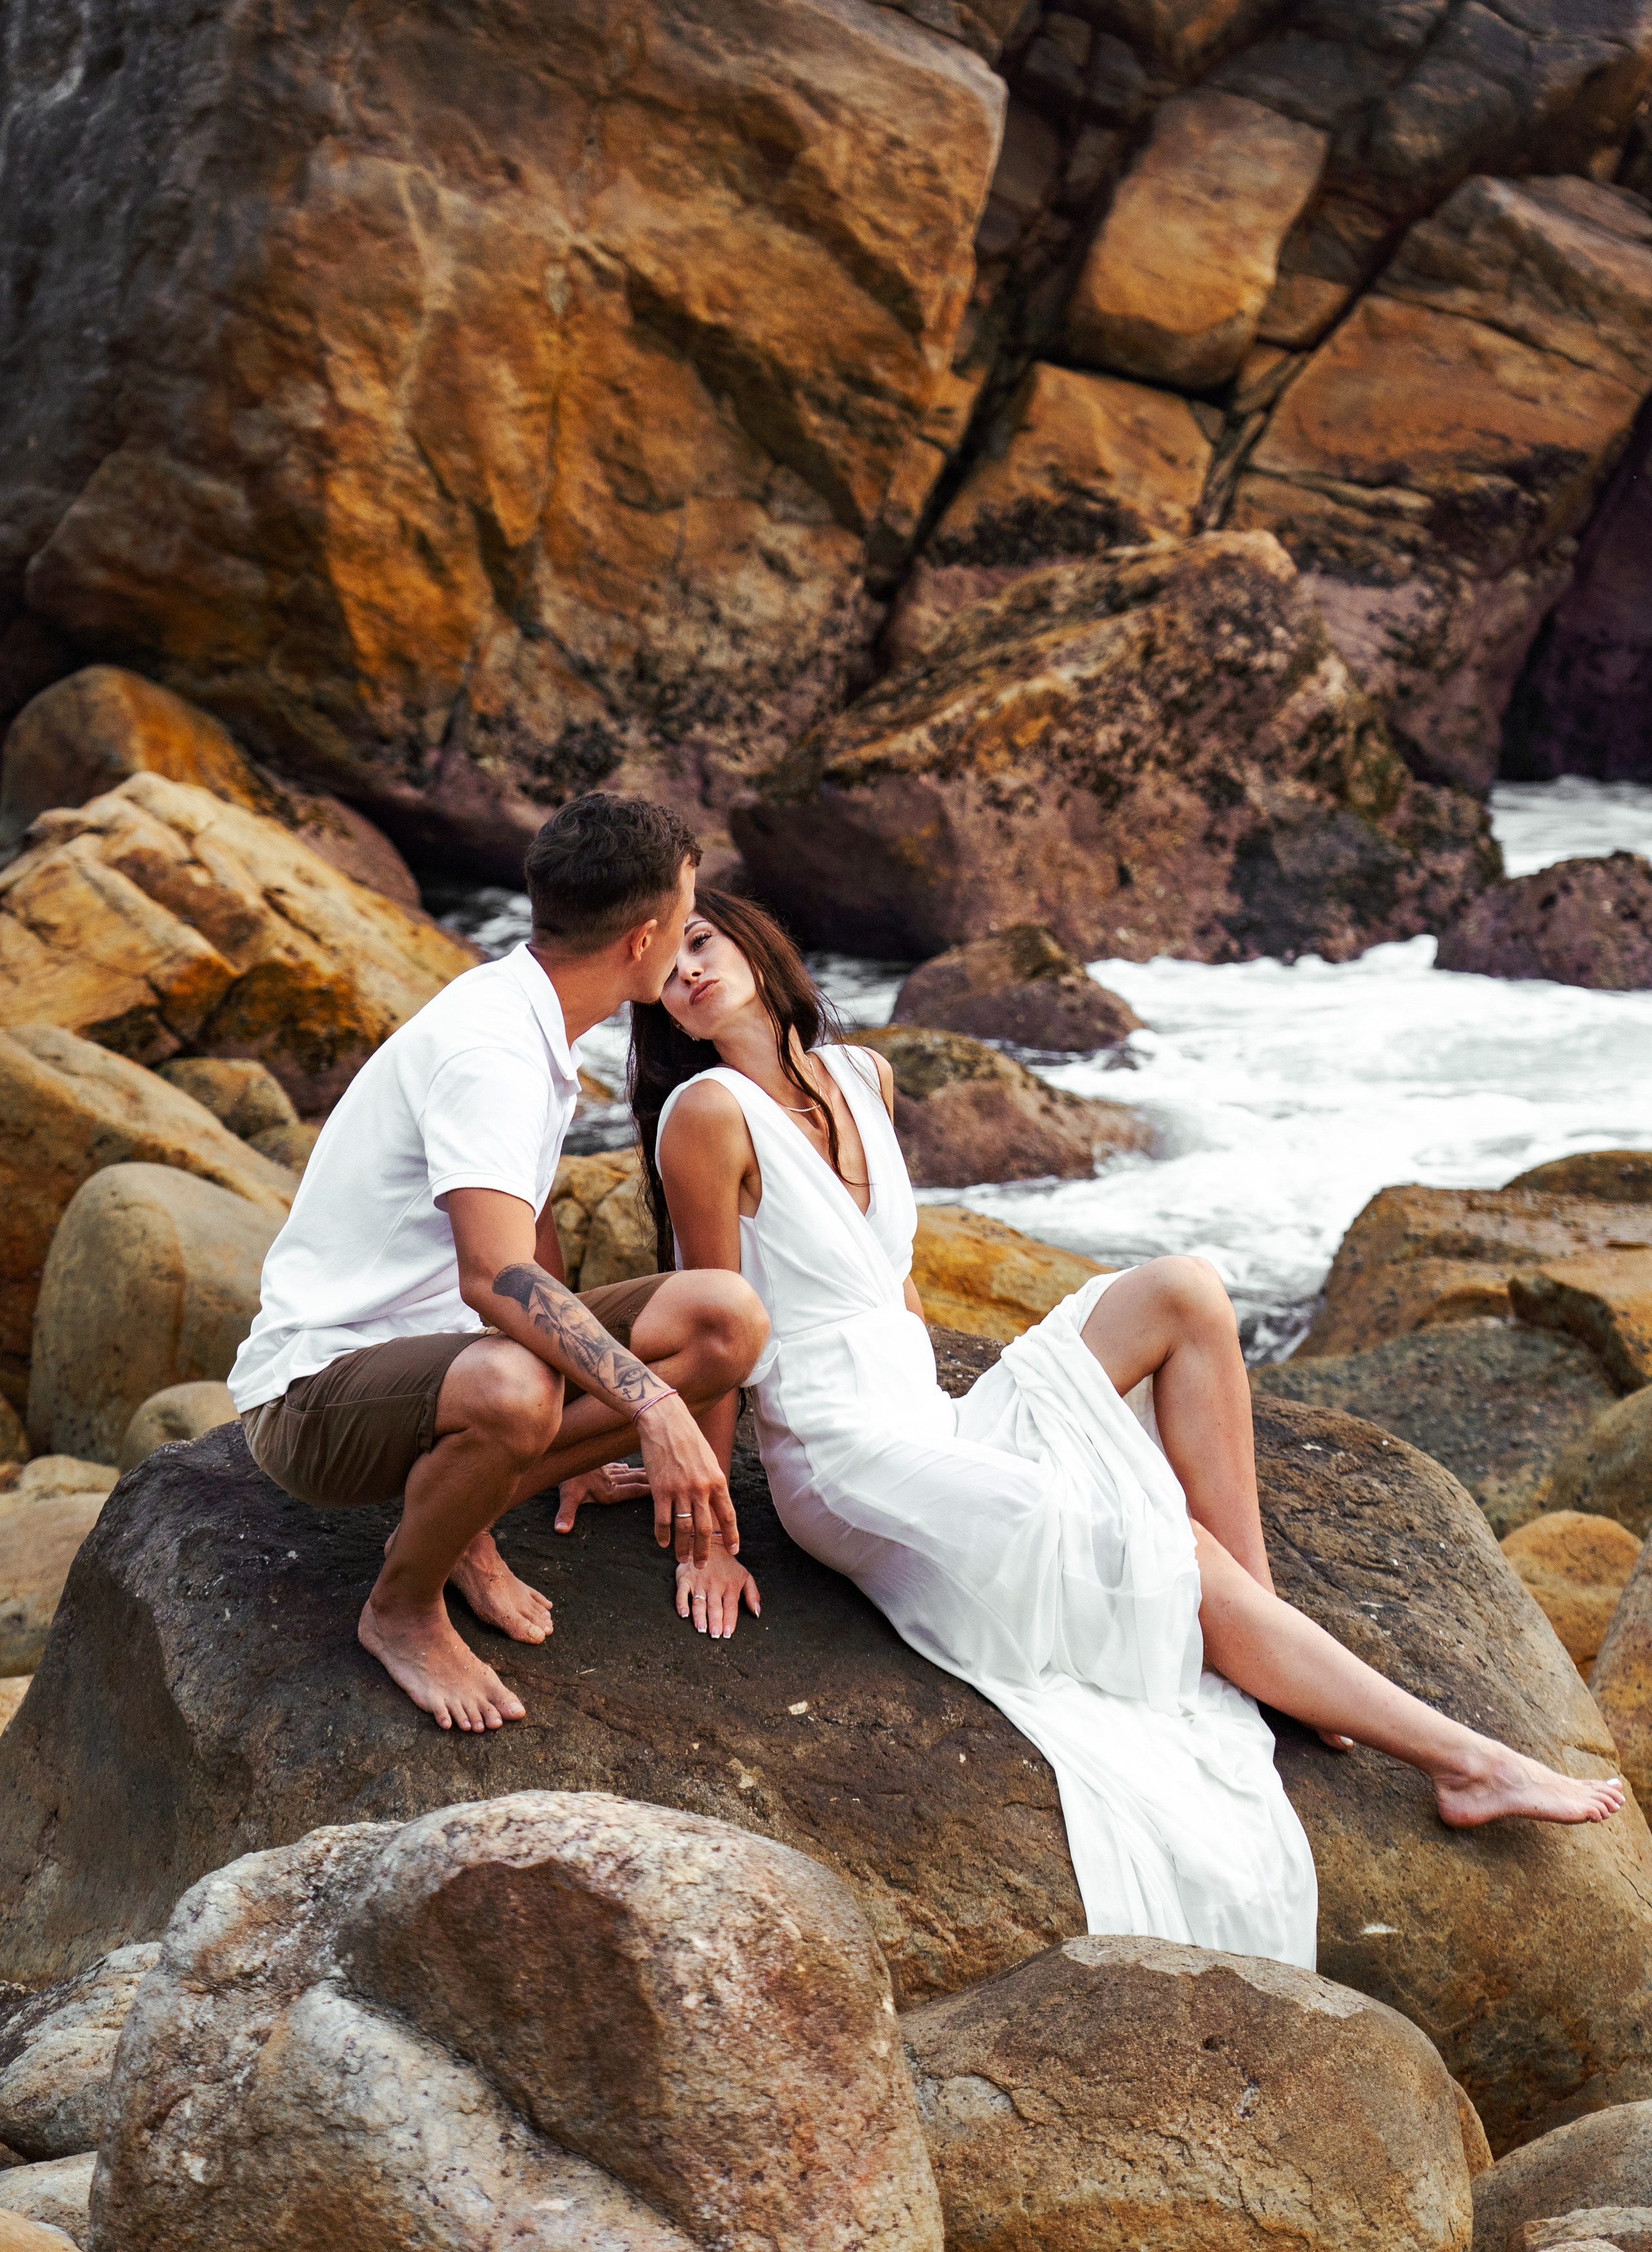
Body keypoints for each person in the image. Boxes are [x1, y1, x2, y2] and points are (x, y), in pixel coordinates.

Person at [625, 889, 1623, 1967]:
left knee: (1186, 1290)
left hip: (932, 1416)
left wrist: (970, 1412)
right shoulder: (707, 1114)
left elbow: (894, 1282)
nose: (685, 970)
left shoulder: (864, 1076)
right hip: (844, 1454)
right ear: (664, 1014)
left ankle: (1267, 1634)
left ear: (753, 941)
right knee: (1131, 1527)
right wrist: (708, 1517)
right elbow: (717, 1318)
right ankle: (1463, 1760)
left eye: (700, 939)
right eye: (665, 968)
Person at [227, 797, 768, 1735]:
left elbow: (533, 1235)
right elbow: (496, 1278)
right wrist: (648, 1406)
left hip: (437, 1365)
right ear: (642, 941)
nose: (686, 943)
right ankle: (401, 1604)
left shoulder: (536, 1019)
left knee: (727, 1317)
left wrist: (592, 1425)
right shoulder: (492, 1050)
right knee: (517, 1387)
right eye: (683, 923)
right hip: (315, 1394)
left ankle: (462, 1511)